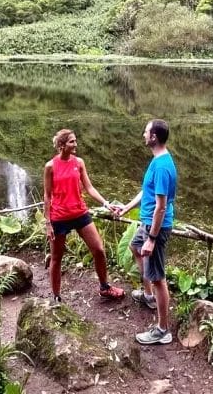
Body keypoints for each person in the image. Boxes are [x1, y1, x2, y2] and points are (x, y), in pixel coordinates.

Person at [43, 128, 125, 302]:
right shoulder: (50, 166)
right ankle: (56, 297)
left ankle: (104, 287)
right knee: (57, 258)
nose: (75, 144)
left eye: (75, 141)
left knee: (99, 250)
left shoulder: (78, 162)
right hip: (59, 217)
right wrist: (47, 222)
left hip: (80, 213)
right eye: (72, 141)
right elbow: (47, 195)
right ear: (61, 145)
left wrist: (105, 203)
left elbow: (89, 187)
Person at [116, 118, 177, 345]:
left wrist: (152, 238)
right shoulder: (157, 160)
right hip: (146, 222)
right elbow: (147, 193)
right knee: (134, 247)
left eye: (146, 132)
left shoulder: (162, 167)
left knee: (159, 277)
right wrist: (126, 208)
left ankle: (163, 330)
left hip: (156, 226)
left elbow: (161, 207)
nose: (143, 134)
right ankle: (148, 295)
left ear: (153, 137)